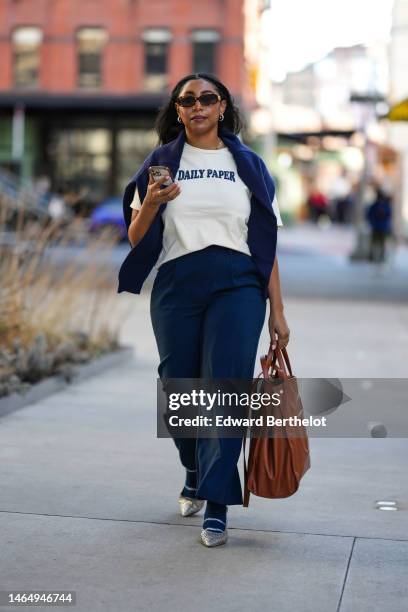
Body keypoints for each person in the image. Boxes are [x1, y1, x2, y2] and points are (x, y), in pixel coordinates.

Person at [118, 73, 289, 548]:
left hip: (239, 285)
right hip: (178, 284)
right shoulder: (160, 164)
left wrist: (278, 312)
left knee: (226, 388)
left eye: (207, 98)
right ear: (177, 110)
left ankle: (217, 504)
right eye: (187, 100)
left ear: (222, 107)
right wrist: (151, 202)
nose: (197, 106)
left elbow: (267, 243)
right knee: (179, 386)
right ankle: (193, 468)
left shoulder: (248, 165)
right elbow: (135, 238)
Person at [365, 185, 392, 263]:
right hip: (377, 226)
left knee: (380, 243)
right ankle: (372, 256)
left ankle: (380, 256)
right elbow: (370, 215)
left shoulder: (384, 205)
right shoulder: (375, 205)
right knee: (375, 242)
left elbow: (388, 215)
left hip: (382, 226)